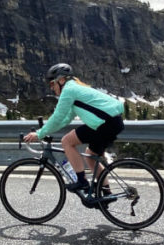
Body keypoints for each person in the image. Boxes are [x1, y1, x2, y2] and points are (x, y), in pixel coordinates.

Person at [23, 63, 125, 206]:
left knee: (67, 142)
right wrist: (46, 130)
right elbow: (65, 119)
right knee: (90, 156)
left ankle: (82, 181)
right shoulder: (75, 88)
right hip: (110, 122)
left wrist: (40, 134)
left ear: (61, 80)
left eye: (52, 84)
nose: (51, 88)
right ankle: (107, 194)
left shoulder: (69, 90)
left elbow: (58, 117)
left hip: (105, 123)